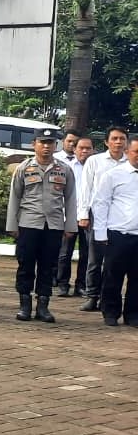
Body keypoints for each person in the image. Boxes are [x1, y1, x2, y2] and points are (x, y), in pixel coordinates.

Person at [7, 128, 77, 323]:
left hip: (53, 225)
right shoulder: (24, 168)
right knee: (25, 265)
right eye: (42, 142)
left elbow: (71, 199)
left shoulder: (64, 169)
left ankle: (43, 306)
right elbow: (15, 197)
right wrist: (12, 225)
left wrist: (70, 226)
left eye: (50, 143)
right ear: (34, 144)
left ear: (56, 145)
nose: (46, 146)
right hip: (28, 223)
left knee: (48, 266)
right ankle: (25, 305)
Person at [76, 126, 129, 313]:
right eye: (114, 138)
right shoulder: (95, 161)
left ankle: (108, 298)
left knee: (114, 261)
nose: (118, 142)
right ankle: (92, 296)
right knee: (94, 259)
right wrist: (83, 215)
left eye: (122, 139)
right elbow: (85, 188)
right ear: (106, 142)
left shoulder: (130, 162)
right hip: (97, 215)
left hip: (120, 217)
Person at [91, 136, 138, 327]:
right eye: (136, 152)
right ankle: (110, 311)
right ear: (127, 152)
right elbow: (101, 204)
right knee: (112, 275)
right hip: (118, 233)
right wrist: (100, 233)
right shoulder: (113, 175)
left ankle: (133, 314)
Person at [57, 136, 94, 297]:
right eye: (81, 148)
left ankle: (81, 285)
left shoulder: (97, 168)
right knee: (65, 252)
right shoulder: (67, 168)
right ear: (74, 149)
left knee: (87, 253)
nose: (84, 151)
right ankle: (62, 284)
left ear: (93, 150)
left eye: (88, 148)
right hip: (70, 214)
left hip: (90, 216)